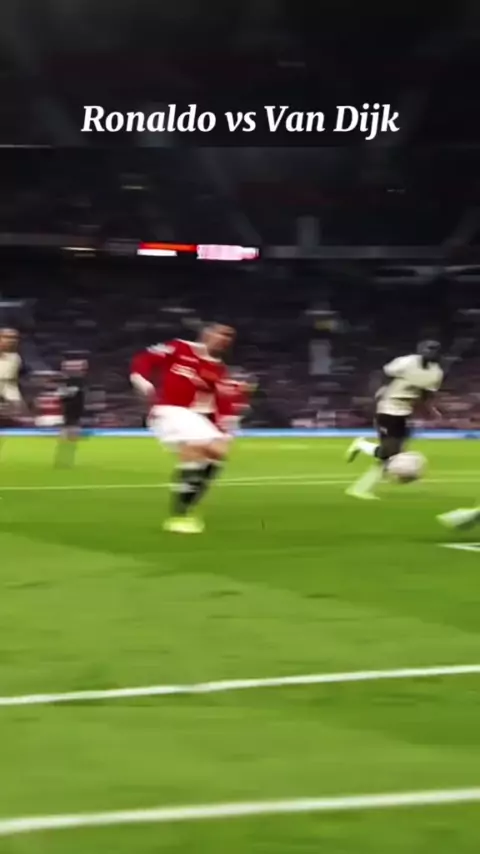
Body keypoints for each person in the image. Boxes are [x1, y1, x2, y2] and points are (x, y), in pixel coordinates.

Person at [130, 323, 235, 533]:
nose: (224, 338)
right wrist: (142, 382)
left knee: (218, 452)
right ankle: (179, 515)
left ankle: (187, 504)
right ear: (207, 334)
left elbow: (217, 400)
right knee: (196, 446)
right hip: (169, 410)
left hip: (195, 416)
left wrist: (224, 427)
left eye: (229, 336)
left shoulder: (219, 369)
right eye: (221, 333)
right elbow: (143, 359)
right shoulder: (180, 347)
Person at [345, 340, 443, 499]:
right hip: (388, 407)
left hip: (405, 411)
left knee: (393, 453)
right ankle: (361, 477)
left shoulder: (436, 373)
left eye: (435, 349)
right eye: (428, 348)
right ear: (420, 349)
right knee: (389, 453)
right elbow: (383, 374)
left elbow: (426, 393)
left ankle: (365, 481)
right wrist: (378, 391)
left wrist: (430, 410)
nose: (431, 351)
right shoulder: (406, 362)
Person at [55, 357, 88, 467]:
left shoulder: (77, 385)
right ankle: (64, 462)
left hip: (72, 419)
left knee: (68, 441)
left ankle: (64, 462)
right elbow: (62, 396)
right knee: (68, 441)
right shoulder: (74, 385)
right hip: (71, 419)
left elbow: (62, 395)